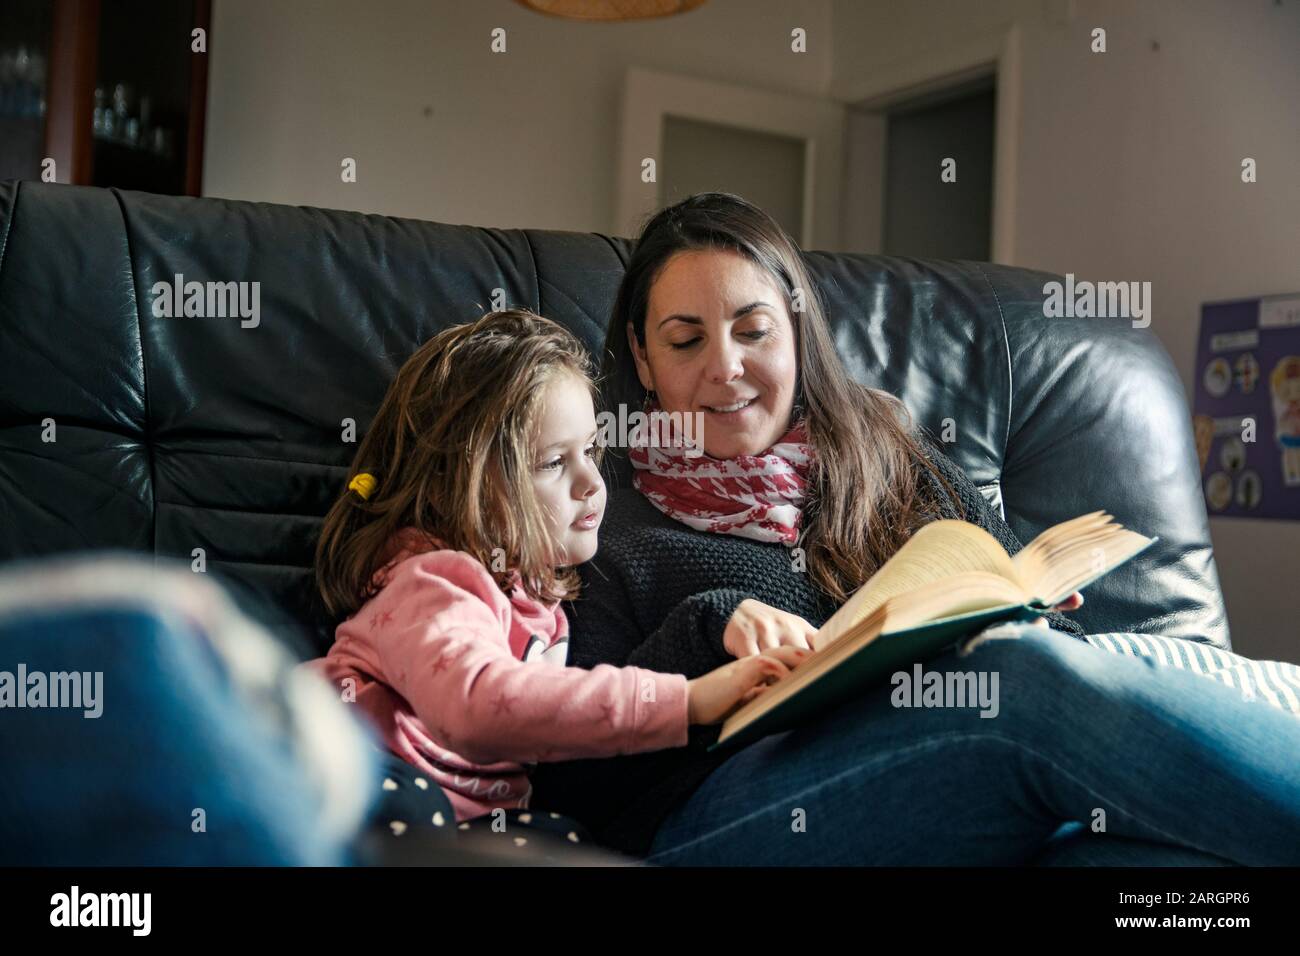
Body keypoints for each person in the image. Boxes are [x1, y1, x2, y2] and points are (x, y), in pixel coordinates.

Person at [525, 192, 1300, 866]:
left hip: (956, 787)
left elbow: (1024, 614)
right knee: (1014, 682)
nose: (724, 366)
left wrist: (1026, 603)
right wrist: (710, 631)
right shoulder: (597, 516)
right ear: (642, 355)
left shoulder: (893, 458)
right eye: (686, 339)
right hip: (717, 817)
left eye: (753, 330)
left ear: (797, 331)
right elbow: (571, 779)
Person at [307, 309, 807, 857]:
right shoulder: (434, 581)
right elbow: (480, 703)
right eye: (551, 463)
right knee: (417, 812)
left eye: (590, 451)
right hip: (351, 772)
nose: (592, 482)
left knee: (565, 840)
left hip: (466, 822)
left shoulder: (534, 598)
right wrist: (686, 702)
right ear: (462, 484)